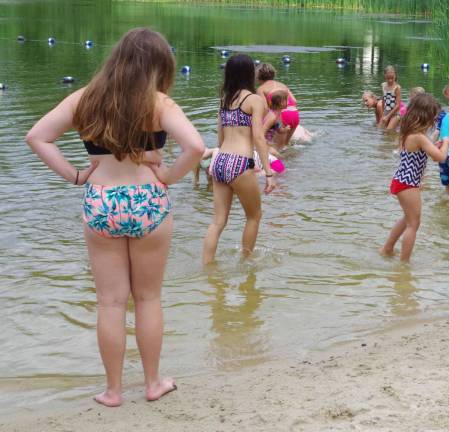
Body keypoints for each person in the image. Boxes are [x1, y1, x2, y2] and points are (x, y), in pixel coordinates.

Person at [25, 28, 204, 407]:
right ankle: (153, 383)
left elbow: (37, 137)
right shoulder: (158, 104)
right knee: (148, 297)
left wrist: (75, 176)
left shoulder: (85, 98)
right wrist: (168, 176)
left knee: (110, 302)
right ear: (158, 67)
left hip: (102, 202)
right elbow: (196, 147)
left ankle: (113, 391)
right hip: (148, 202)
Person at [203, 54, 276, 264]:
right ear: (249, 73)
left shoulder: (224, 99)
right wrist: (269, 173)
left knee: (217, 222)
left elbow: (220, 137)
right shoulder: (254, 100)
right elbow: (259, 138)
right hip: (240, 162)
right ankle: (246, 265)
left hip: (220, 160)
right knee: (254, 216)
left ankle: (207, 268)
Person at [381, 93, 449, 262]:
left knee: (407, 219)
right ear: (424, 116)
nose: (433, 122)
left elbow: (424, 153)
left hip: (402, 181)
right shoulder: (419, 137)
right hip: (408, 183)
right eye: (432, 118)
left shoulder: (408, 133)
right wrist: (446, 143)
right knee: (414, 224)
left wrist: (435, 146)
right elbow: (440, 158)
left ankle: (387, 249)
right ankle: (404, 263)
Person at [256, 63, 300, 147]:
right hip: (294, 114)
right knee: (286, 146)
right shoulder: (283, 85)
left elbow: (264, 108)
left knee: (279, 148)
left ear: (258, 77)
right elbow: (294, 101)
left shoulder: (261, 89)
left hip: (281, 115)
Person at [380, 65, 402, 130]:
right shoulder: (383, 85)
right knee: (380, 129)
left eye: (392, 78)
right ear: (385, 76)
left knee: (388, 131)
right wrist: (383, 114)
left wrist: (388, 117)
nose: (390, 80)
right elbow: (383, 99)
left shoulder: (397, 88)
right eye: (388, 78)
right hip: (386, 111)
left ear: (395, 76)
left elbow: (398, 105)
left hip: (395, 113)